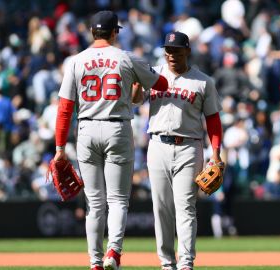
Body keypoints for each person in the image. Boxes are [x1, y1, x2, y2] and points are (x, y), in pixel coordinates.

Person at [54, 10, 168, 270]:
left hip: (86, 129)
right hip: (117, 128)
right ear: (114, 32)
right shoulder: (126, 58)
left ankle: (95, 262)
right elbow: (161, 83)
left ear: (92, 32)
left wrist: (60, 148)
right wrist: (138, 84)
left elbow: (64, 108)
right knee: (117, 200)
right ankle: (113, 253)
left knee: (94, 203)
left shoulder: (75, 60)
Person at [133, 31, 223, 270]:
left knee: (186, 207)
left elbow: (213, 120)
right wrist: (134, 91)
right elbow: (135, 100)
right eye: (168, 50)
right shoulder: (152, 74)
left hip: (189, 147)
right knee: (161, 207)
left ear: (188, 51)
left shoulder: (203, 81)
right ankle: (166, 262)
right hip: (157, 145)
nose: (171, 54)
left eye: (177, 50)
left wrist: (215, 154)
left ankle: (185, 263)